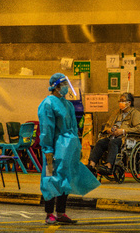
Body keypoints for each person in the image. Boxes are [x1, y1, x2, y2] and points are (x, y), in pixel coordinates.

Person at [38, 73, 100, 224]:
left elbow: (73, 127)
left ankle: (61, 213)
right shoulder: (48, 104)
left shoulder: (67, 104)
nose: (66, 87)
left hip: (68, 150)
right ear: (56, 86)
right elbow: (47, 129)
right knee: (50, 179)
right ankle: (49, 214)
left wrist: (75, 148)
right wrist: (47, 150)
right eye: (63, 84)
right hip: (52, 150)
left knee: (66, 180)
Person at [87, 92, 140, 175]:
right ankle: (91, 165)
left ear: (129, 103)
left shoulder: (135, 114)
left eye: (122, 101)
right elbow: (107, 125)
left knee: (113, 143)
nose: (120, 103)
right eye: (120, 101)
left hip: (127, 138)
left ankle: (109, 166)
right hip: (113, 136)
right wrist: (109, 130)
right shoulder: (116, 113)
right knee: (101, 142)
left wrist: (123, 131)